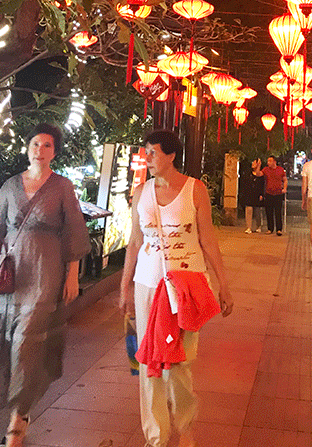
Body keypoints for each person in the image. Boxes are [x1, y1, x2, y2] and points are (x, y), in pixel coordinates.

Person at [0, 123, 90, 447]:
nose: (39, 150)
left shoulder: (63, 187)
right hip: (11, 275)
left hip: (46, 272)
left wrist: (72, 274)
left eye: (46, 145)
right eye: (34, 144)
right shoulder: (10, 186)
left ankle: (17, 419)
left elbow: (74, 232)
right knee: (4, 342)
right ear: (27, 148)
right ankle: (20, 406)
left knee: (25, 343)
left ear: (54, 152)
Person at [119, 129, 233, 447]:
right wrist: (124, 286)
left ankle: (185, 426)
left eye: (153, 152)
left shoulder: (195, 190)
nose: (148, 158)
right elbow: (134, 242)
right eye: (146, 153)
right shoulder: (140, 192)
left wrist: (224, 285)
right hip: (147, 285)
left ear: (170, 155)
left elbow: (208, 240)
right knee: (148, 361)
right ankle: (155, 436)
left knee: (180, 361)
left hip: (186, 286)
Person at [262, 155, 287, 235]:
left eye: (270, 161)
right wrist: (257, 167)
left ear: (274, 162)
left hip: (278, 193)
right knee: (269, 211)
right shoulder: (266, 169)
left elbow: (285, 180)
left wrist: (284, 188)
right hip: (269, 193)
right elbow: (259, 174)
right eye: (268, 161)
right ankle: (270, 228)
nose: (268, 162)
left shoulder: (280, 170)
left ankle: (279, 229)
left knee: (278, 212)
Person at [242, 157, 265, 233]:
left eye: (255, 162)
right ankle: (248, 227)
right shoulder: (248, 174)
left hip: (257, 195)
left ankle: (258, 226)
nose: (253, 164)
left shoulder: (261, 174)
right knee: (248, 210)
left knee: (257, 212)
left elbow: (262, 185)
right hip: (249, 194)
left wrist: (262, 194)